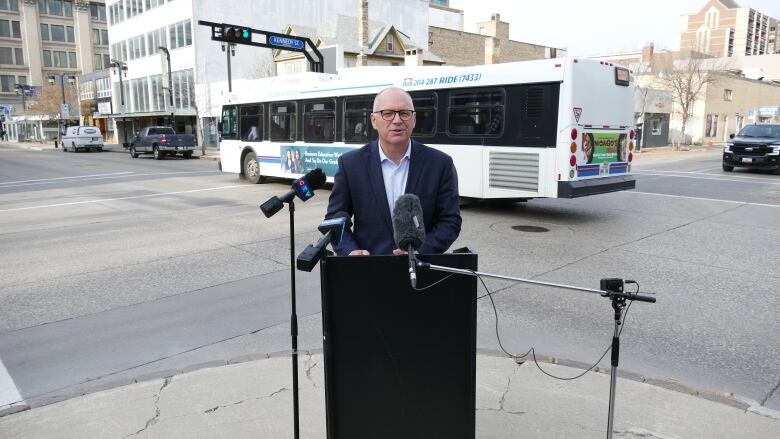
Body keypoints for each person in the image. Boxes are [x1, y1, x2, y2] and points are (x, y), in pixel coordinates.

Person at [326, 87, 461, 256]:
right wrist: (350, 252)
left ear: (414, 119)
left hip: (420, 270)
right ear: (374, 120)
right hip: (368, 270)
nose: (397, 120)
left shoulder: (440, 164)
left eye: (404, 113)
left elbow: (450, 221)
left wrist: (420, 251)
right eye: (388, 113)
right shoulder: (350, 164)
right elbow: (334, 220)